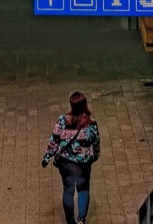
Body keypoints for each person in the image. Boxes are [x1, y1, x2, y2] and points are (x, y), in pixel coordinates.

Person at [41, 91, 101, 224]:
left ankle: (70, 221)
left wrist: (47, 157)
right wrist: (95, 156)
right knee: (83, 188)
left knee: (68, 190)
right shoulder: (91, 123)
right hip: (83, 163)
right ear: (85, 105)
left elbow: (54, 140)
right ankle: (81, 219)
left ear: (71, 105)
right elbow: (96, 142)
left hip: (66, 162)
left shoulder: (62, 120)